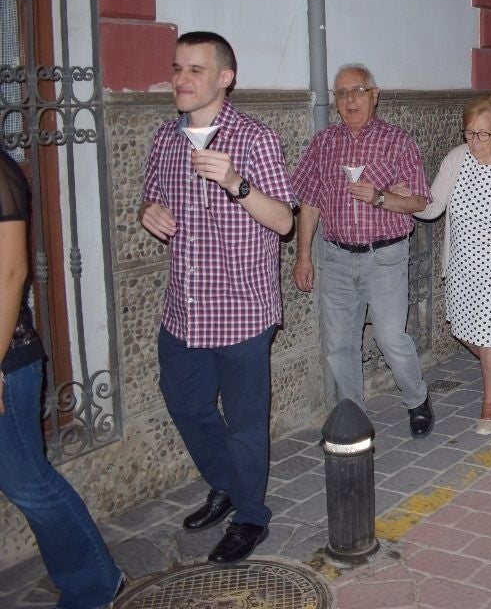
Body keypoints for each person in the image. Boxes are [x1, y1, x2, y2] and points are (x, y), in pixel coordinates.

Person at [139, 31, 295, 563]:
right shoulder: (165, 137)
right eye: (178, 68)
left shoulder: (255, 139)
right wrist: (148, 213)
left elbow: (283, 220)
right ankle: (228, 483)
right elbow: (150, 197)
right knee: (187, 406)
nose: (181, 79)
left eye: (195, 70)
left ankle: (252, 516)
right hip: (183, 309)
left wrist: (237, 183)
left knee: (247, 423)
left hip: (243, 310)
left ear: (224, 77)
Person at [2, 149, 124, 608]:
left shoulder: (2, 172)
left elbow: (13, 274)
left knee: (28, 483)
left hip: (6, 360)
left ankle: (94, 583)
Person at [291, 64, 434, 435]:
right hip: (336, 257)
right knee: (339, 344)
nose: (349, 99)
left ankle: (416, 398)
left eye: (357, 91)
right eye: (341, 93)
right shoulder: (324, 143)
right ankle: (354, 418)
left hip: (384, 256)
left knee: (391, 337)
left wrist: (380, 197)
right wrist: (303, 255)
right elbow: (308, 200)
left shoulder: (398, 141)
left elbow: (419, 201)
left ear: (375, 94)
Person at [414, 95, 491, 435]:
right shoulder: (456, 159)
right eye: (469, 133)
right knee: (462, 329)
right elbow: (432, 206)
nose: (474, 141)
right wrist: (405, 200)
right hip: (461, 264)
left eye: (482, 134)